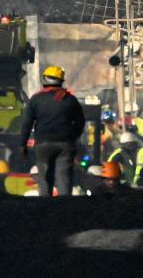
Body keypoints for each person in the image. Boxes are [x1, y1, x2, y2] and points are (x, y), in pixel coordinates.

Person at [19, 66, 86, 197]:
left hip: (43, 145)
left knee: (44, 179)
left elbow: (27, 123)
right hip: (65, 145)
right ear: (61, 81)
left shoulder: (36, 99)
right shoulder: (70, 99)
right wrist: (72, 138)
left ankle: (46, 206)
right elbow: (80, 122)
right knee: (63, 177)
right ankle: (63, 206)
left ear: (44, 79)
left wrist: (23, 145)